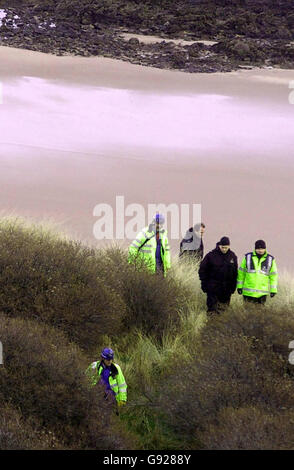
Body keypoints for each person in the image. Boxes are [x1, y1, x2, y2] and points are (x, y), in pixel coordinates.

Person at [199, 236, 238, 315]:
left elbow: (235, 274)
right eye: (222, 247)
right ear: (219, 245)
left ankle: (221, 327)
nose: (224, 249)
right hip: (213, 288)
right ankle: (210, 326)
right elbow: (202, 270)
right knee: (212, 311)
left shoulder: (233, 256)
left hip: (226, 290)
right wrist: (204, 284)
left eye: (226, 247)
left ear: (229, 246)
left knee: (224, 312)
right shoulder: (211, 256)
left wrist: (233, 287)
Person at [237, 240, 278, 304]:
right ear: (255, 249)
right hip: (248, 293)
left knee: (260, 313)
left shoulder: (270, 259)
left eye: (262, 248)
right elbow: (241, 273)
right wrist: (239, 286)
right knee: (246, 313)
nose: (260, 250)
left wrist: (273, 290)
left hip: (262, 294)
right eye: (258, 248)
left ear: (265, 248)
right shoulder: (247, 257)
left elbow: (273, 276)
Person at [86, 348, 127, 412]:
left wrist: (122, 399)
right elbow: (85, 380)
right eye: (108, 359)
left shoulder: (116, 368)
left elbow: (122, 385)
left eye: (111, 359)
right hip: (96, 397)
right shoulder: (94, 366)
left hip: (111, 399)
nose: (110, 361)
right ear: (103, 358)